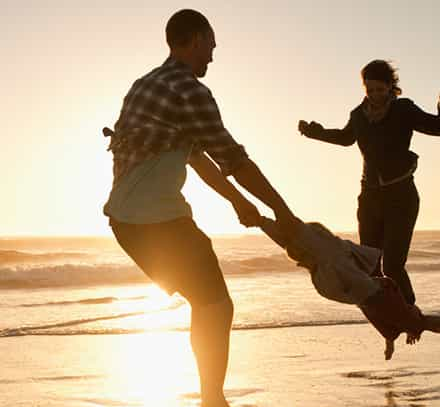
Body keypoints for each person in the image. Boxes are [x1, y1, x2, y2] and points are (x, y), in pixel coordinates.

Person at [102, 9, 299, 407]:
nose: (212, 54)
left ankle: (212, 397)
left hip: (126, 222)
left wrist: (239, 202)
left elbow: (196, 156)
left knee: (205, 302)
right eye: (211, 44)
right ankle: (212, 400)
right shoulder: (189, 90)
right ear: (195, 39)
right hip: (156, 219)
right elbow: (234, 159)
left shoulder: (146, 85)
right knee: (217, 305)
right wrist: (285, 213)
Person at [298, 60, 440, 307]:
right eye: (370, 90)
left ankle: (409, 313)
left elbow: (436, 127)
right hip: (370, 198)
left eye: (380, 90)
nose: (375, 95)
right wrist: (315, 132)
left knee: (393, 265)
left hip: (401, 196)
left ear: (390, 87)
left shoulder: (404, 110)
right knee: (369, 265)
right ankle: (386, 319)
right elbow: (345, 138)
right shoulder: (358, 116)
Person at [259, 217, 440, 361]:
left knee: (420, 323)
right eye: (298, 258)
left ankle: (411, 319)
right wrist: (261, 222)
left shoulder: (335, 256)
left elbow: (297, 230)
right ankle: (404, 325)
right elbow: (284, 241)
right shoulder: (319, 271)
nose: (300, 260)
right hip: (369, 301)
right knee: (392, 331)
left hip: (381, 294)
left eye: (301, 253)